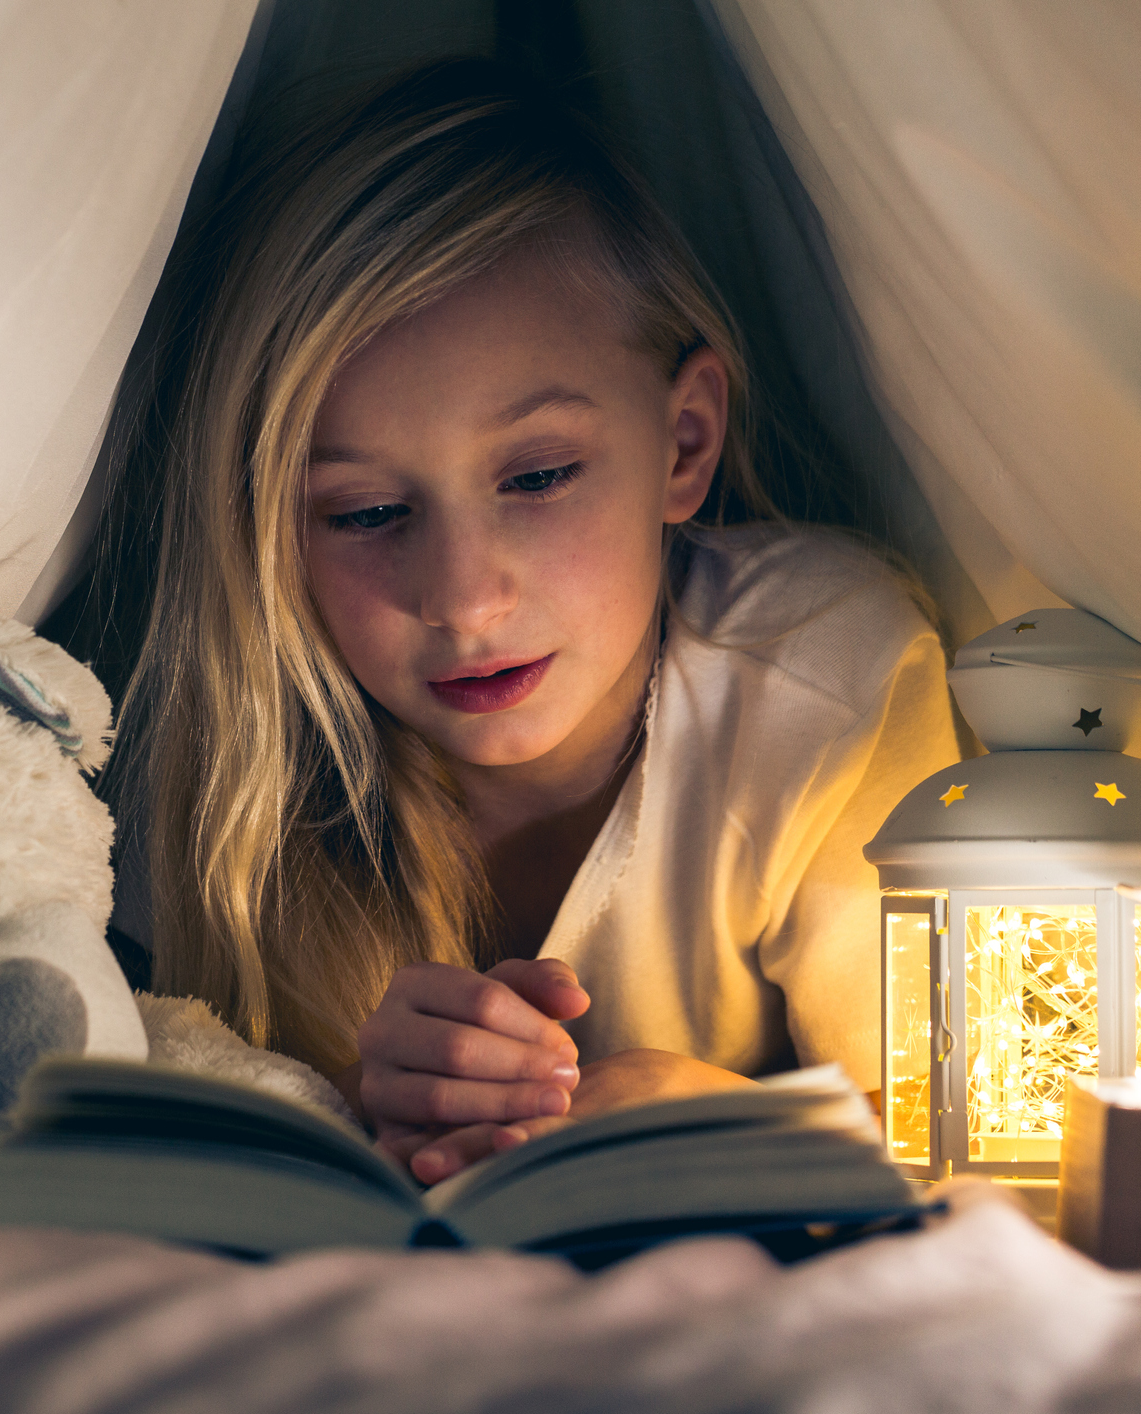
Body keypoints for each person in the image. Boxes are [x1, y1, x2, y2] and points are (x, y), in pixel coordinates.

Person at [99, 60, 959, 1184]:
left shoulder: (819, 689)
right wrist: (361, 1098)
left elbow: (980, 1137)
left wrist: (697, 1116)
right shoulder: (233, 763)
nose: (461, 598)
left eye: (540, 476)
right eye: (366, 512)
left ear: (684, 442)